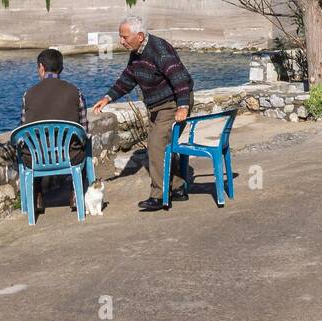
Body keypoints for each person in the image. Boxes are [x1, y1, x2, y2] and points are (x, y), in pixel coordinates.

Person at [91, 16, 194, 211]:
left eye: (124, 37)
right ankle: (178, 188)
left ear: (139, 36)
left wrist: (182, 107)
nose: (121, 41)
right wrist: (108, 98)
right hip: (157, 105)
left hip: (172, 104)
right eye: (120, 36)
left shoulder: (159, 50)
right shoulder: (136, 52)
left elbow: (179, 78)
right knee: (163, 145)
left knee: (156, 146)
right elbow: (128, 78)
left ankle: (159, 196)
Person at [20, 48, 89, 210]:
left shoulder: (27, 95)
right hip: (69, 156)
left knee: (30, 147)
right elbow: (84, 130)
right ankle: (74, 194)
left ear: (41, 67)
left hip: (36, 159)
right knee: (84, 146)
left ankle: (37, 197)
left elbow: (23, 131)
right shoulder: (75, 92)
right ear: (62, 69)